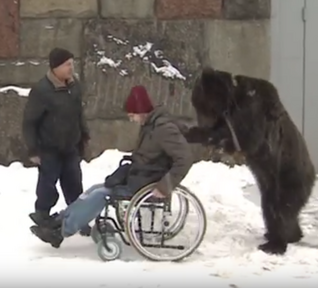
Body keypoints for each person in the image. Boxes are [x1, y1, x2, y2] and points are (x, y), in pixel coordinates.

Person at [29, 85, 194, 248]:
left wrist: (165, 186)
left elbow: (185, 158)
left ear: (141, 110)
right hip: (140, 175)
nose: (131, 119)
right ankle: (59, 221)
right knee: (95, 189)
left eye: (132, 115)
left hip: (148, 182)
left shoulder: (164, 129)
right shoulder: (151, 125)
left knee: (101, 195)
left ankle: (62, 231)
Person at [23, 47, 91, 236]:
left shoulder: (74, 86)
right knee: (47, 186)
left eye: (72, 64)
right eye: (67, 64)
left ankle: (80, 218)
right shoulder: (42, 90)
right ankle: (43, 217)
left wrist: (84, 135)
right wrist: (33, 150)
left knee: (75, 185)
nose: (71, 68)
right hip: (49, 149)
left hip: (70, 147)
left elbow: (78, 113)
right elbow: (29, 122)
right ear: (56, 67)